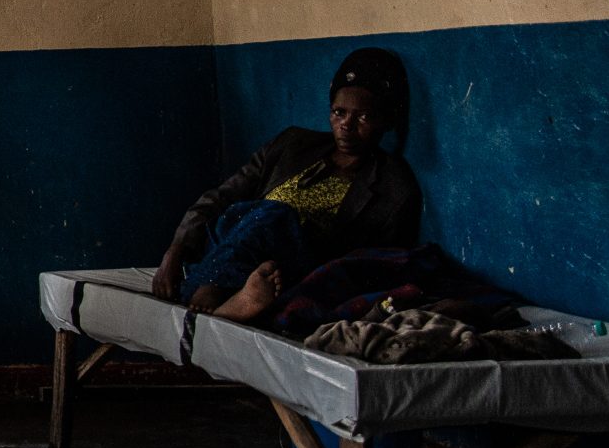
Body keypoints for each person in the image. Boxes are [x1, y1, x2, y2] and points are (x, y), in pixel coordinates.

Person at [151, 47, 422, 320]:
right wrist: (175, 250)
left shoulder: (394, 187)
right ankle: (227, 298)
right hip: (237, 238)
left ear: (385, 121)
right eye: (339, 112)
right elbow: (222, 197)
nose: (346, 125)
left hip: (287, 268)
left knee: (276, 214)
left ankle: (216, 291)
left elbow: (372, 263)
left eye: (363, 117)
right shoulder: (292, 144)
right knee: (242, 214)